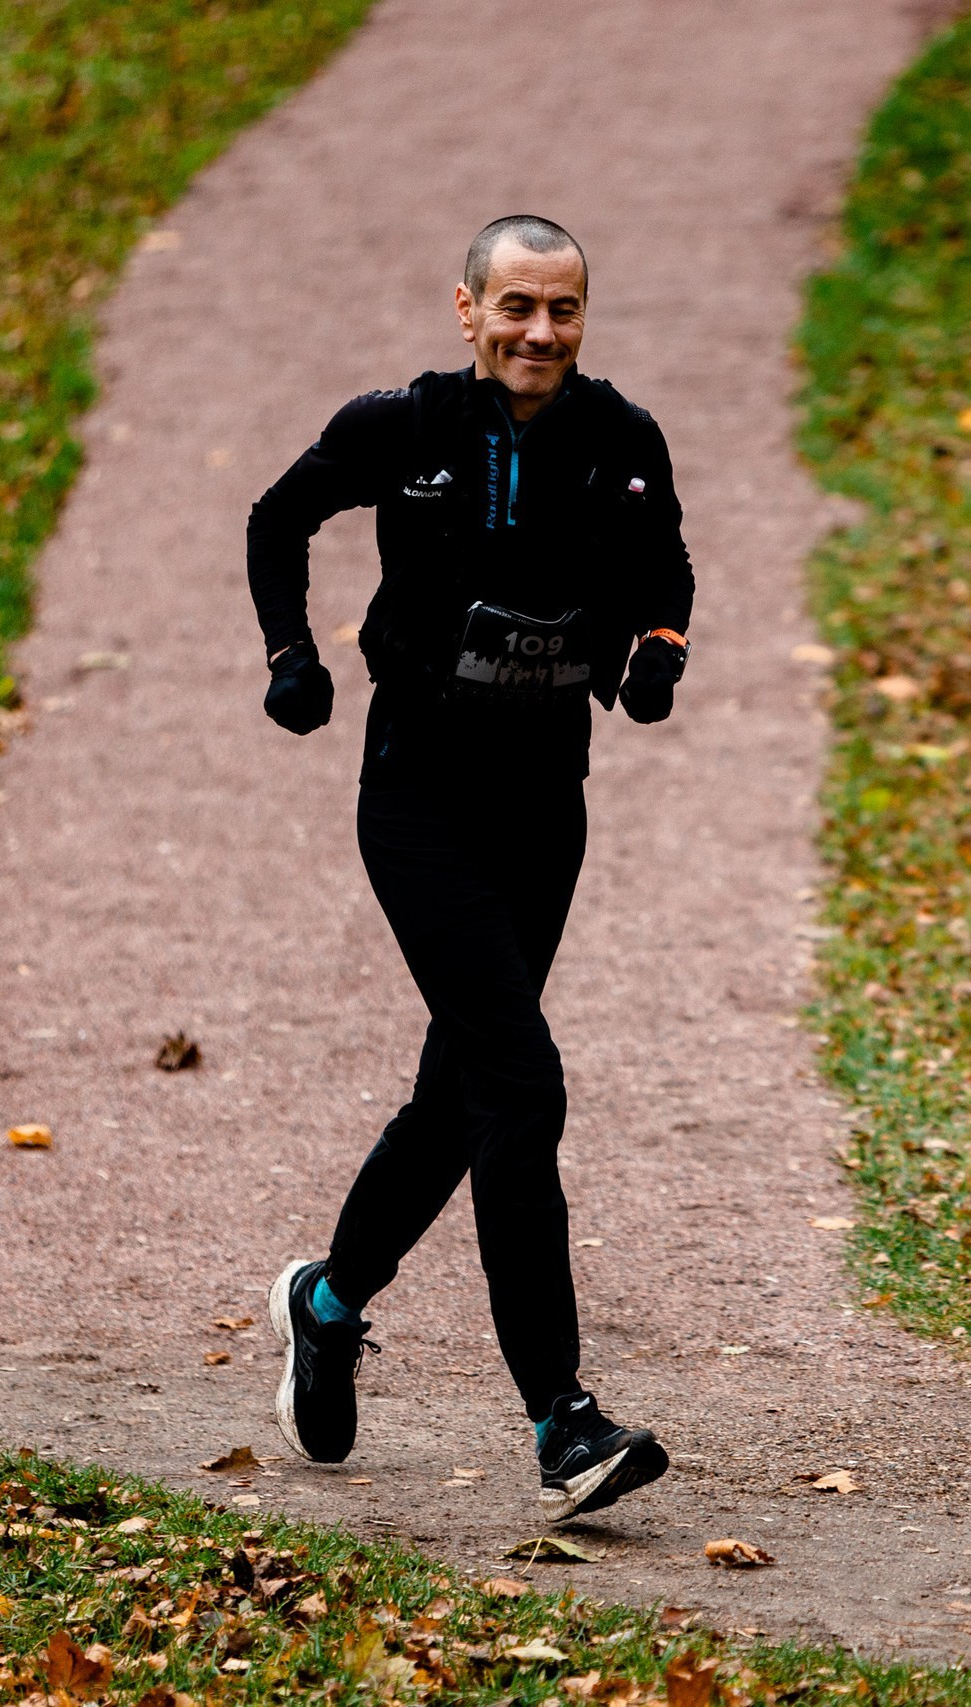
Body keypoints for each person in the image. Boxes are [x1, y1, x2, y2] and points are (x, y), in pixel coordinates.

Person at [242, 214, 690, 1521]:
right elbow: (278, 518)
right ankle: (561, 1419)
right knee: (522, 1083)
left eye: (563, 309)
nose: (540, 332)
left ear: (584, 318)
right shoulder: (406, 429)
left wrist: (658, 650)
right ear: (468, 310)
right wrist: (291, 659)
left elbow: (666, 566)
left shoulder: (623, 439)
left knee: (462, 1095)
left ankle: (328, 1305)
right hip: (420, 799)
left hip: (546, 806)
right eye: (517, 307)